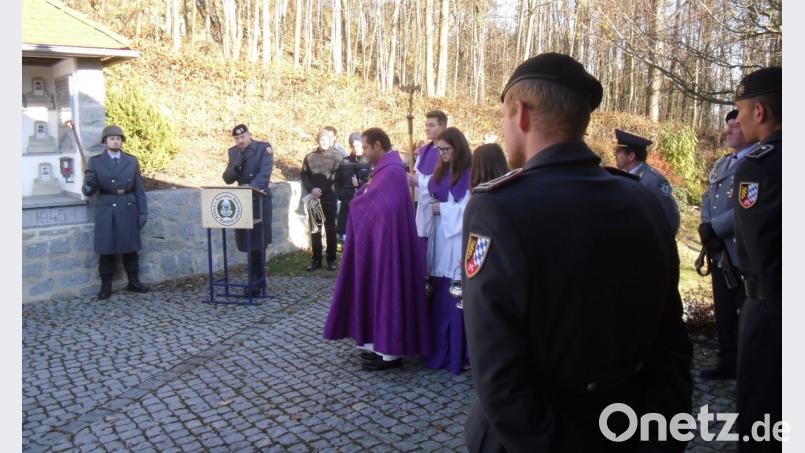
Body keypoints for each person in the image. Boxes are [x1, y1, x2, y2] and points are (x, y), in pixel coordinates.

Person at [461, 53, 692, 452]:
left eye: (503, 117)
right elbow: (672, 340)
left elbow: (498, 376)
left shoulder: (497, 209)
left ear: (520, 114)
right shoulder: (642, 200)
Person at [323, 128, 431, 371]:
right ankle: (375, 346)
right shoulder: (383, 169)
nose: (364, 150)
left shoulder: (392, 171)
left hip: (388, 248)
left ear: (379, 145)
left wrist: (359, 204)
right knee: (374, 291)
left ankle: (390, 353)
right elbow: (371, 197)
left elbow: (388, 207)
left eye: (367, 146)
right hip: (378, 245)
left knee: (387, 291)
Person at [731, 66, 781, 452]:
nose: (740, 119)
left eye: (742, 111)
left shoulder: (760, 166)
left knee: (761, 416)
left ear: (760, 113)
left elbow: (763, 251)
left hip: (771, 309)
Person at [698, 109, 755, 380]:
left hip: (740, 252)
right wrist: (705, 226)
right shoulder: (722, 165)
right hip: (719, 251)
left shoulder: (757, 164)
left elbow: (747, 207)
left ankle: (747, 363)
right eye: (728, 126)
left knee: (745, 309)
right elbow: (708, 197)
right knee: (723, 309)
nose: (728, 131)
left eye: (735, 126)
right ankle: (727, 359)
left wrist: (715, 227)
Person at [421, 127, 472, 375]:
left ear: (458, 147)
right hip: (440, 239)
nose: (441, 154)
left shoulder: (470, 173)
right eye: (439, 149)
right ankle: (437, 351)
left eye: (446, 149)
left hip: (457, 239)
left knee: (455, 296)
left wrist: (443, 210)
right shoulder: (440, 170)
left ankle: (457, 353)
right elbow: (429, 191)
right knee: (439, 293)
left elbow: (471, 209)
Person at [82, 125, 149, 300]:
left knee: (130, 249)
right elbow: (88, 190)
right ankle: (106, 286)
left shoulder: (131, 161)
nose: (115, 141)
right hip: (106, 207)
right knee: (107, 250)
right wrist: (89, 184)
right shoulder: (95, 162)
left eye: (118, 138)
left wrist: (143, 211)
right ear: (105, 142)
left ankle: (134, 282)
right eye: (111, 138)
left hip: (127, 206)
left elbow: (139, 188)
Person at [222, 124, 274, 296]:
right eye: (236, 138)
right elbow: (228, 179)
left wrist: (249, 188)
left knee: (258, 242)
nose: (240, 141)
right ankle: (254, 279)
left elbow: (264, 174)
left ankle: (258, 282)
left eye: (242, 137)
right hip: (243, 202)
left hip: (259, 200)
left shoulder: (263, 149)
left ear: (249, 135)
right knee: (247, 242)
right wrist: (235, 166)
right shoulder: (233, 152)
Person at [613, 129, 681, 235]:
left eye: (618, 151)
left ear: (631, 156)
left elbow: (670, 219)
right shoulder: (621, 174)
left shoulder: (654, 181)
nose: (614, 154)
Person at [408, 110, 448, 254]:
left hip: (444, 210)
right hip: (424, 208)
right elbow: (417, 176)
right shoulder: (424, 151)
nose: (427, 128)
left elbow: (446, 180)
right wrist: (412, 181)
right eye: (426, 125)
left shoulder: (451, 149)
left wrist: (418, 182)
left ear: (443, 126)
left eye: (431, 125)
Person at [301, 129, 341, 271]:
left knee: (330, 229)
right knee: (315, 230)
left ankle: (331, 260)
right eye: (321, 139)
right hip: (313, 198)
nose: (323, 142)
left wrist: (321, 190)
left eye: (326, 139)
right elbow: (304, 175)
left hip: (329, 197)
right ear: (317, 141)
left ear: (331, 141)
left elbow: (334, 177)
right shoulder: (310, 157)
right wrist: (312, 189)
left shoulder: (336, 158)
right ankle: (316, 260)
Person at [334, 132, 372, 243]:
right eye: (353, 146)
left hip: (363, 203)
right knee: (345, 233)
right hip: (346, 202)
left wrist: (360, 184)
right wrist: (340, 194)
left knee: (361, 233)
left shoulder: (369, 161)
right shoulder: (345, 161)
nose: (356, 149)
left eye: (359, 145)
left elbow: (372, 182)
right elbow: (337, 180)